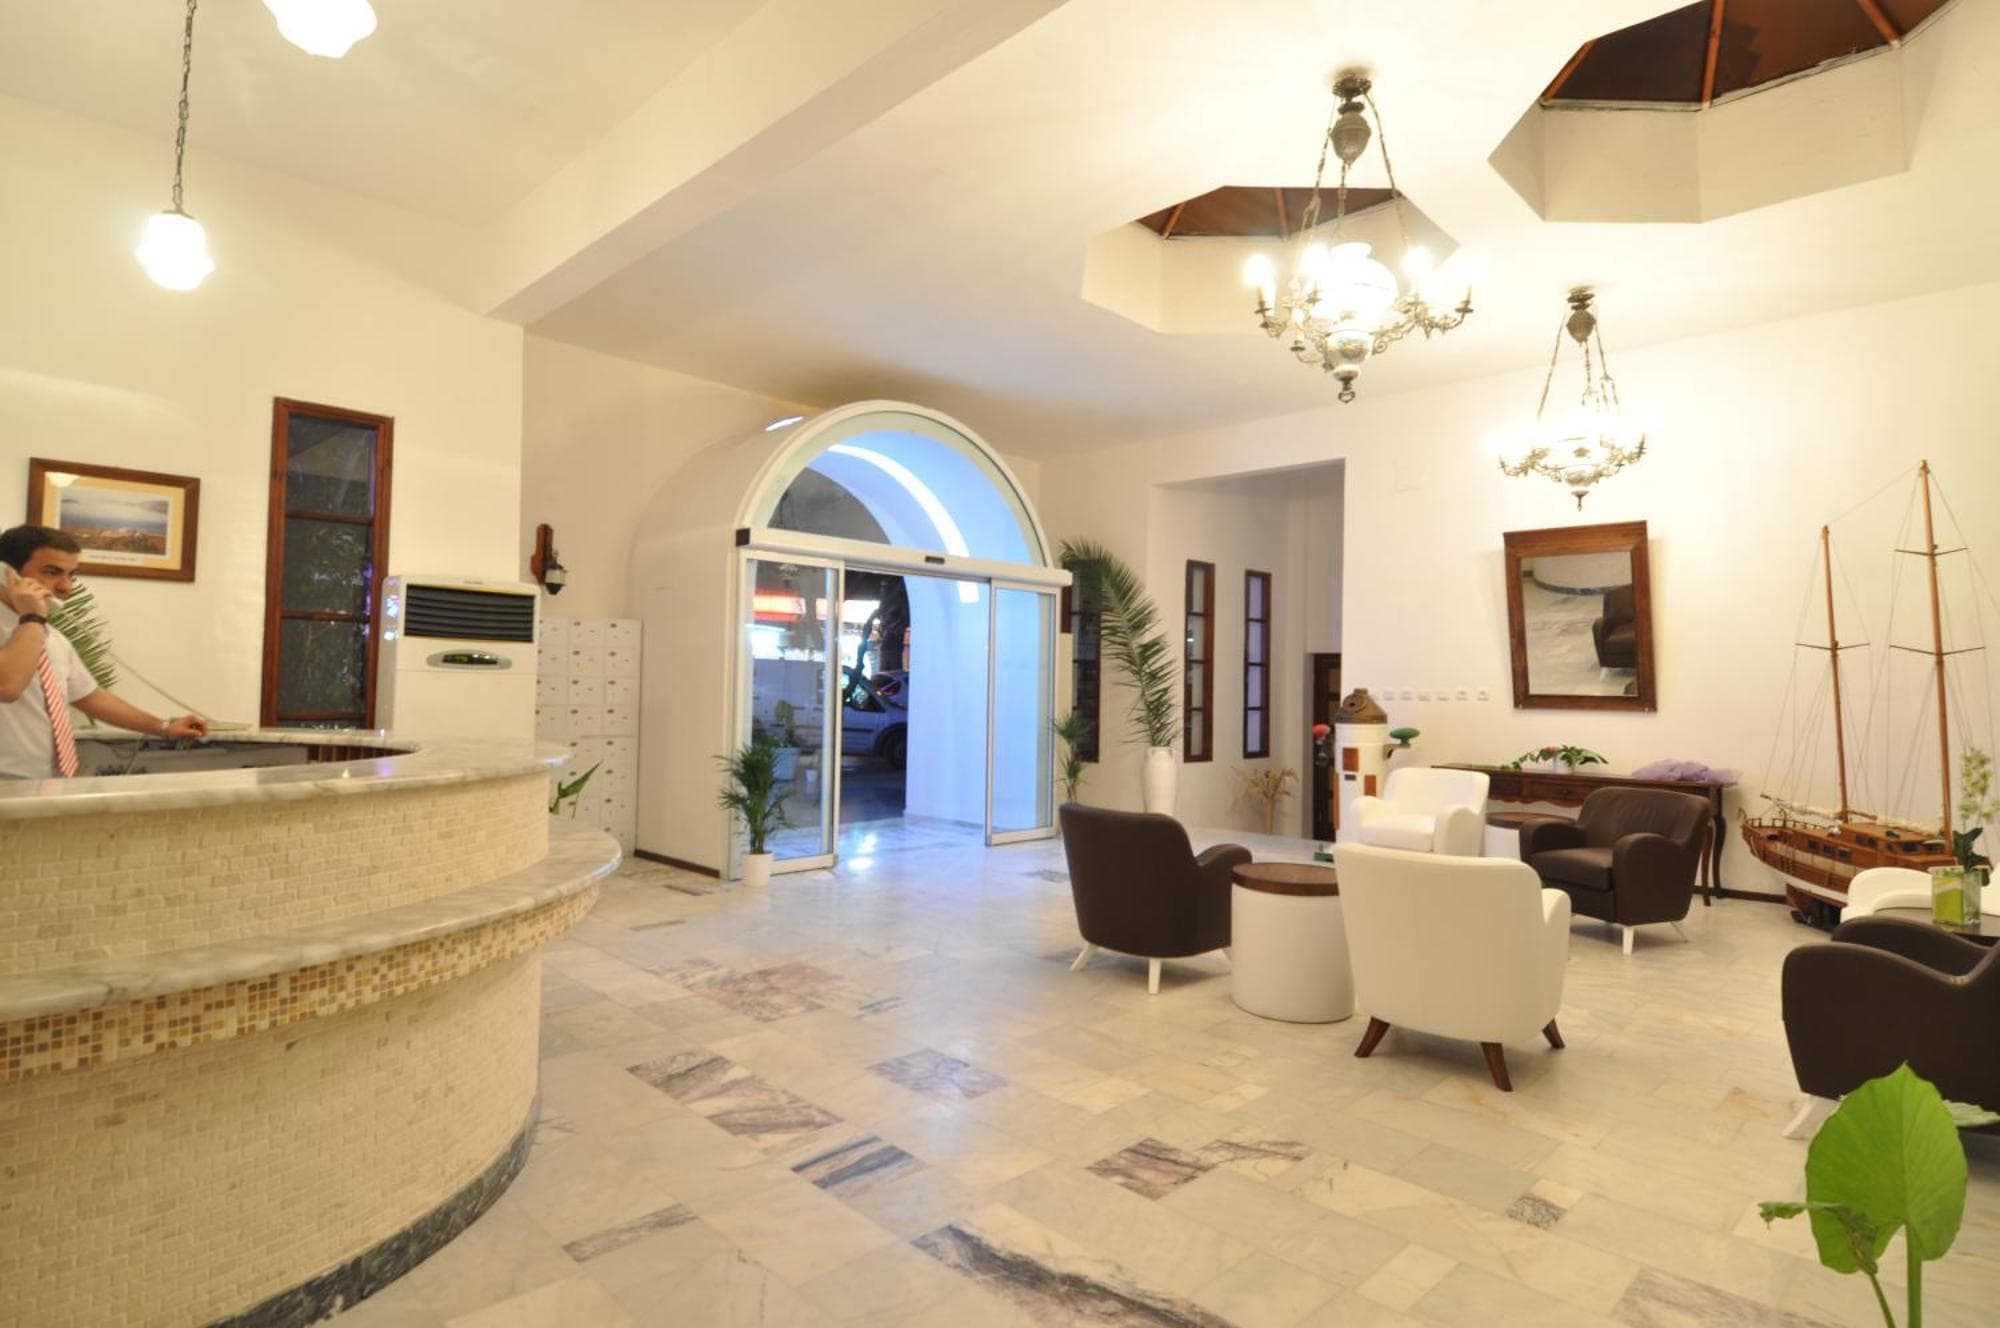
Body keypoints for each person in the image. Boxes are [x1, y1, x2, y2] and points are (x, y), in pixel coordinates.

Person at [0, 524, 209, 780]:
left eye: (72, 575)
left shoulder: (52, 637)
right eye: (52, 572)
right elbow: (7, 686)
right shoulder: (33, 625)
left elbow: (91, 697)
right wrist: (32, 616)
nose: (66, 587)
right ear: (7, 573)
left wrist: (163, 726)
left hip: (44, 782)